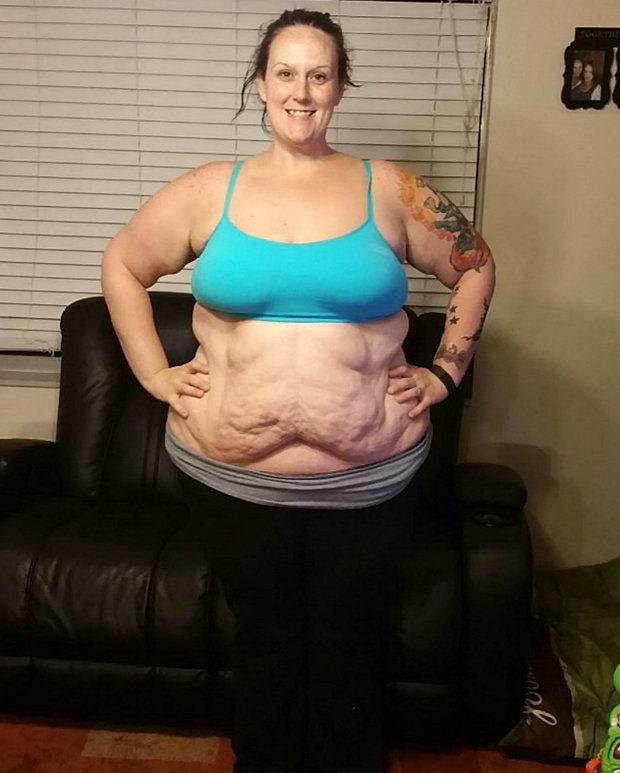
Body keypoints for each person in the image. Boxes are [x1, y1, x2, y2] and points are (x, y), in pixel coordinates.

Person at [101, 8, 495, 772]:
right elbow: (122, 262)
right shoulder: (209, 189)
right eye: (286, 73)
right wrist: (153, 373)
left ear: (340, 87)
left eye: (320, 75)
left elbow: (475, 265)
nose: (302, 92)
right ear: (260, 82)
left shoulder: (391, 188)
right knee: (267, 644)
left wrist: (445, 371)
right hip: (230, 479)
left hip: (370, 480)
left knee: (350, 646)